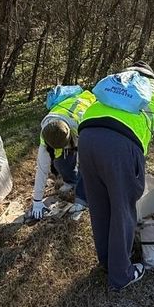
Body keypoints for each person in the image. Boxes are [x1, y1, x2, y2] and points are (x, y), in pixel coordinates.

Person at [77, 62, 154, 290]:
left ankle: (107, 262)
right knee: (123, 208)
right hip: (121, 146)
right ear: (151, 76)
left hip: (86, 138)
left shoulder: (112, 82)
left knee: (99, 205)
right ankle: (121, 274)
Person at [27, 88, 97, 221]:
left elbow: (88, 163)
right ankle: (71, 181)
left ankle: (82, 199)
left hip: (83, 123)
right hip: (69, 128)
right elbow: (41, 170)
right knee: (59, 161)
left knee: (86, 165)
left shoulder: (83, 124)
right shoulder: (46, 134)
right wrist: (37, 201)